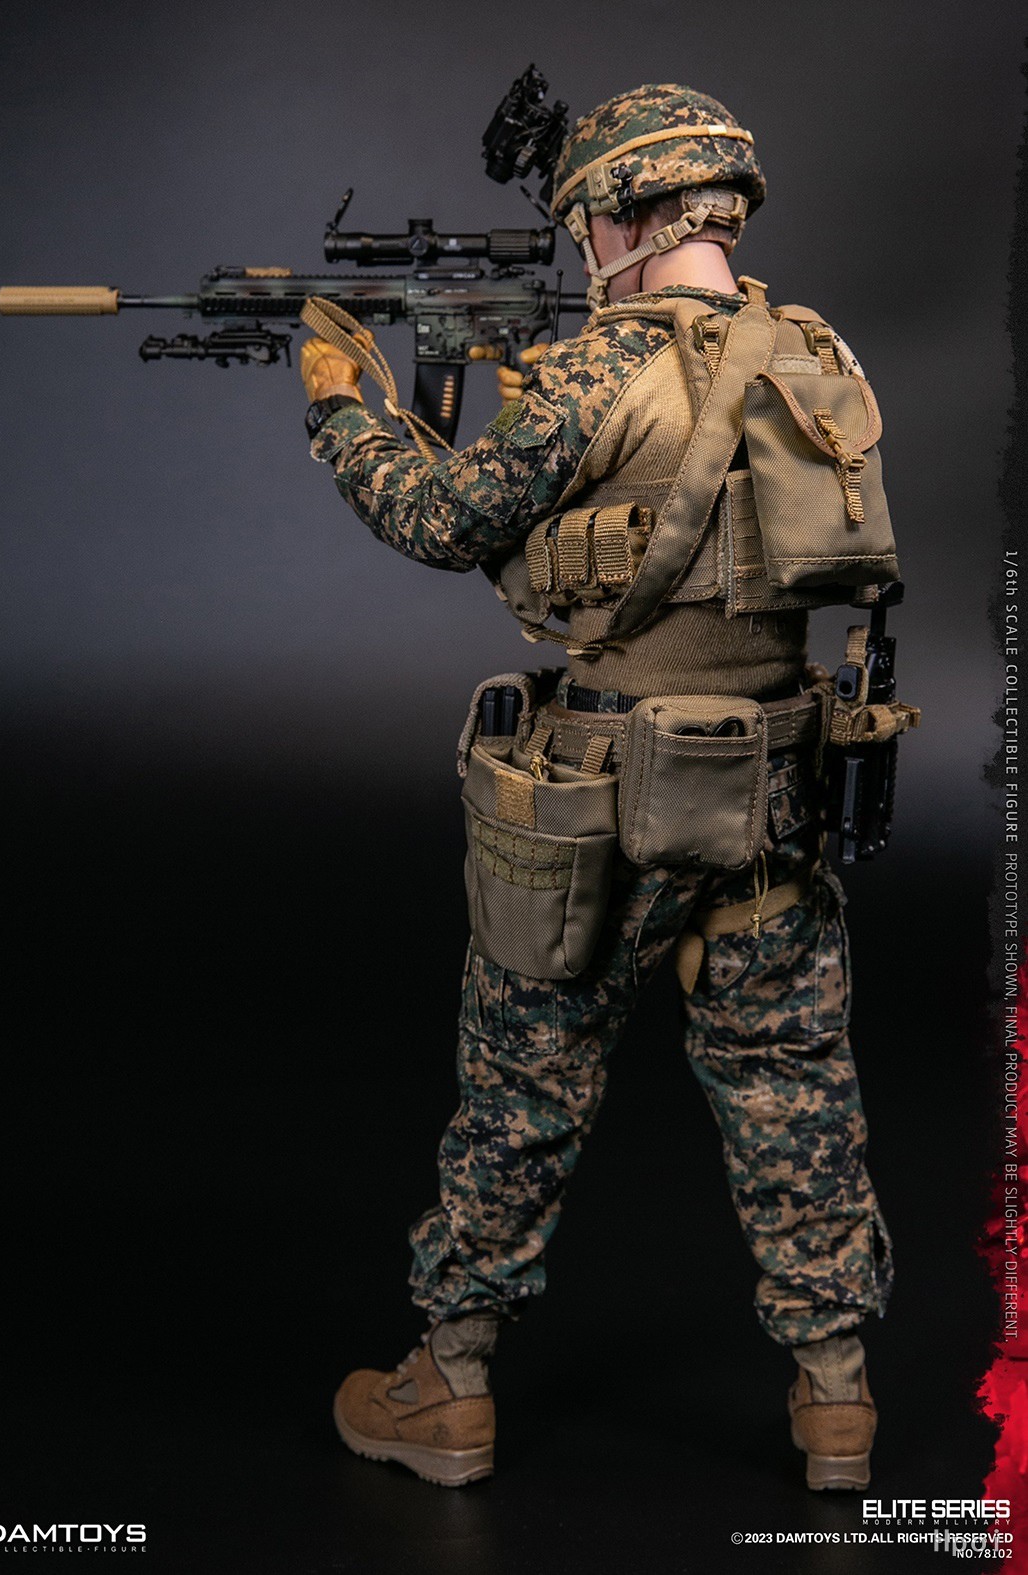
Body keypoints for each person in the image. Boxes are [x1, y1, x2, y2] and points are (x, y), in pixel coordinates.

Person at [300, 84, 896, 1492]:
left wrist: (344, 411)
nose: (582, 254)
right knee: (793, 1087)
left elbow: (437, 517)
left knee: (526, 1084)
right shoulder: (819, 355)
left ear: (624, 217)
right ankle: (837, 1401)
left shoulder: (592, 372)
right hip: (771, 790)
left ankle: (450, 1386)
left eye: (584, 228)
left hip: (599, 794)